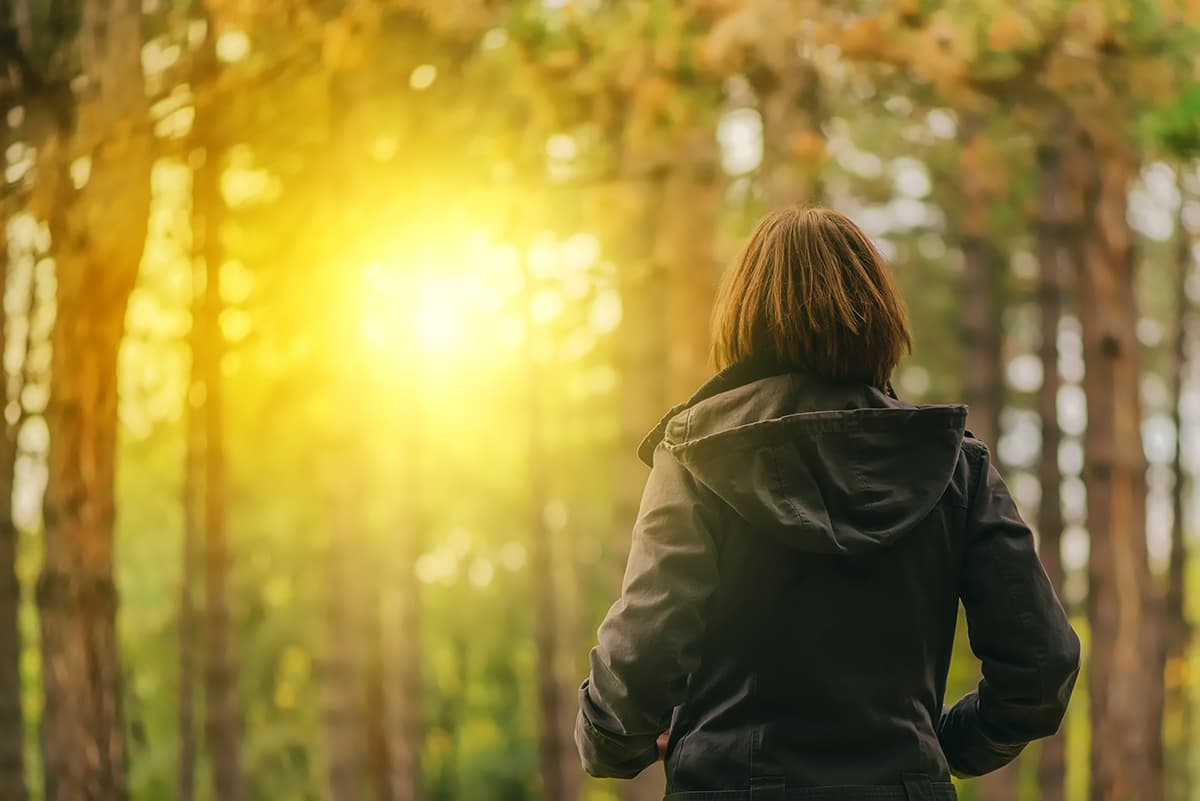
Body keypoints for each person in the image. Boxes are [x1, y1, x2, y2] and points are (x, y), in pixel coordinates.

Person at [574, 207, 1080, 800]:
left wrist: (614, 745)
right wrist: (938, 748)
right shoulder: (955, 466)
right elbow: (1040, 668)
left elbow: (639, 661)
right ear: (880, 314)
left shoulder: (697, 456)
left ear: (744, 314)